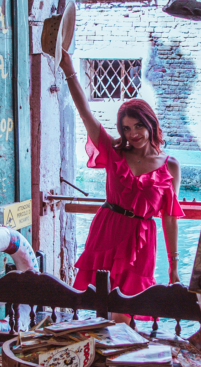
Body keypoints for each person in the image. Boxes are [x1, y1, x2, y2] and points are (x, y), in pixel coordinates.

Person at [58, 49, 184, 297]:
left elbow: (169, 218)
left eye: (138, 126)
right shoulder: (114, 153)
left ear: (150, 124)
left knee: (129, 310)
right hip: (108, 230)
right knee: (98, 305)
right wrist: (69, 71)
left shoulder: (171, 167)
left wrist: (174, 267)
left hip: (142, 239)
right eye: (126, 129)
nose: (133, 134)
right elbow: (86, 115)